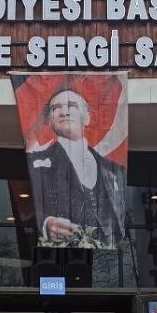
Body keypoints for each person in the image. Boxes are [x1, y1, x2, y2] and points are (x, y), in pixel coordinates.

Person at [27, 88, 126, 247]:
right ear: (49, 122)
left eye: (72, 105)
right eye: (56, 108)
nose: (64, 112)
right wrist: (46, 225)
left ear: (86, 117)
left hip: (106, 256)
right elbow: (29, 209)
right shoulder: (36, 164)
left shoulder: (113, 170)